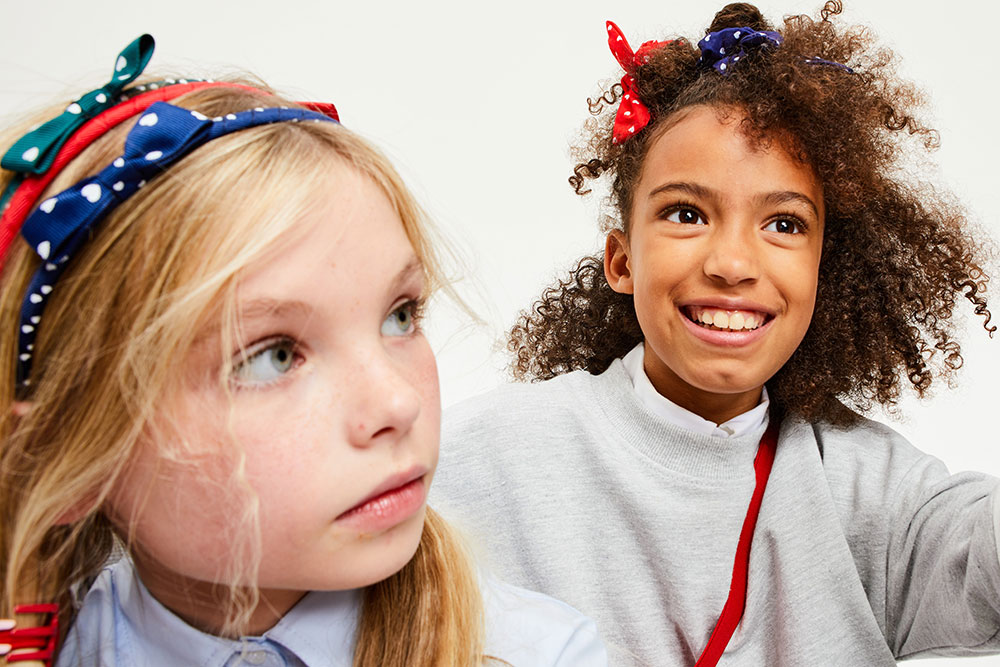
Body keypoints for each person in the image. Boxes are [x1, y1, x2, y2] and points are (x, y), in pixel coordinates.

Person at [0, 36, 607, 667]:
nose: (397, 402)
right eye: (272, 356)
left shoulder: (538, 653)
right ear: (56, 455)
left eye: (400, 317)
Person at [432, 2, 1000, 665]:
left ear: (823, 269)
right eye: (685, 212)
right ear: (621, 260)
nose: (731, 264)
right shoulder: (487, 457)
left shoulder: (871, 489)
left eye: (784, 224)